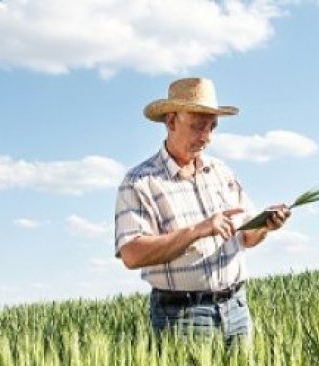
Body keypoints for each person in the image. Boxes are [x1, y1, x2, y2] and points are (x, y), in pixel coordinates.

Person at [114, 77, 290, 345]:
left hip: (237, 309)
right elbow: (131, 253)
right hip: (182, 318)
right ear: (171, 121)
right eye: (198, 126)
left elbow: (246, 237)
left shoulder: (222, 172)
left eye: (212, 127)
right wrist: (197, 231)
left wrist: (266, 224)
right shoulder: (139, 182)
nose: (206, 137)